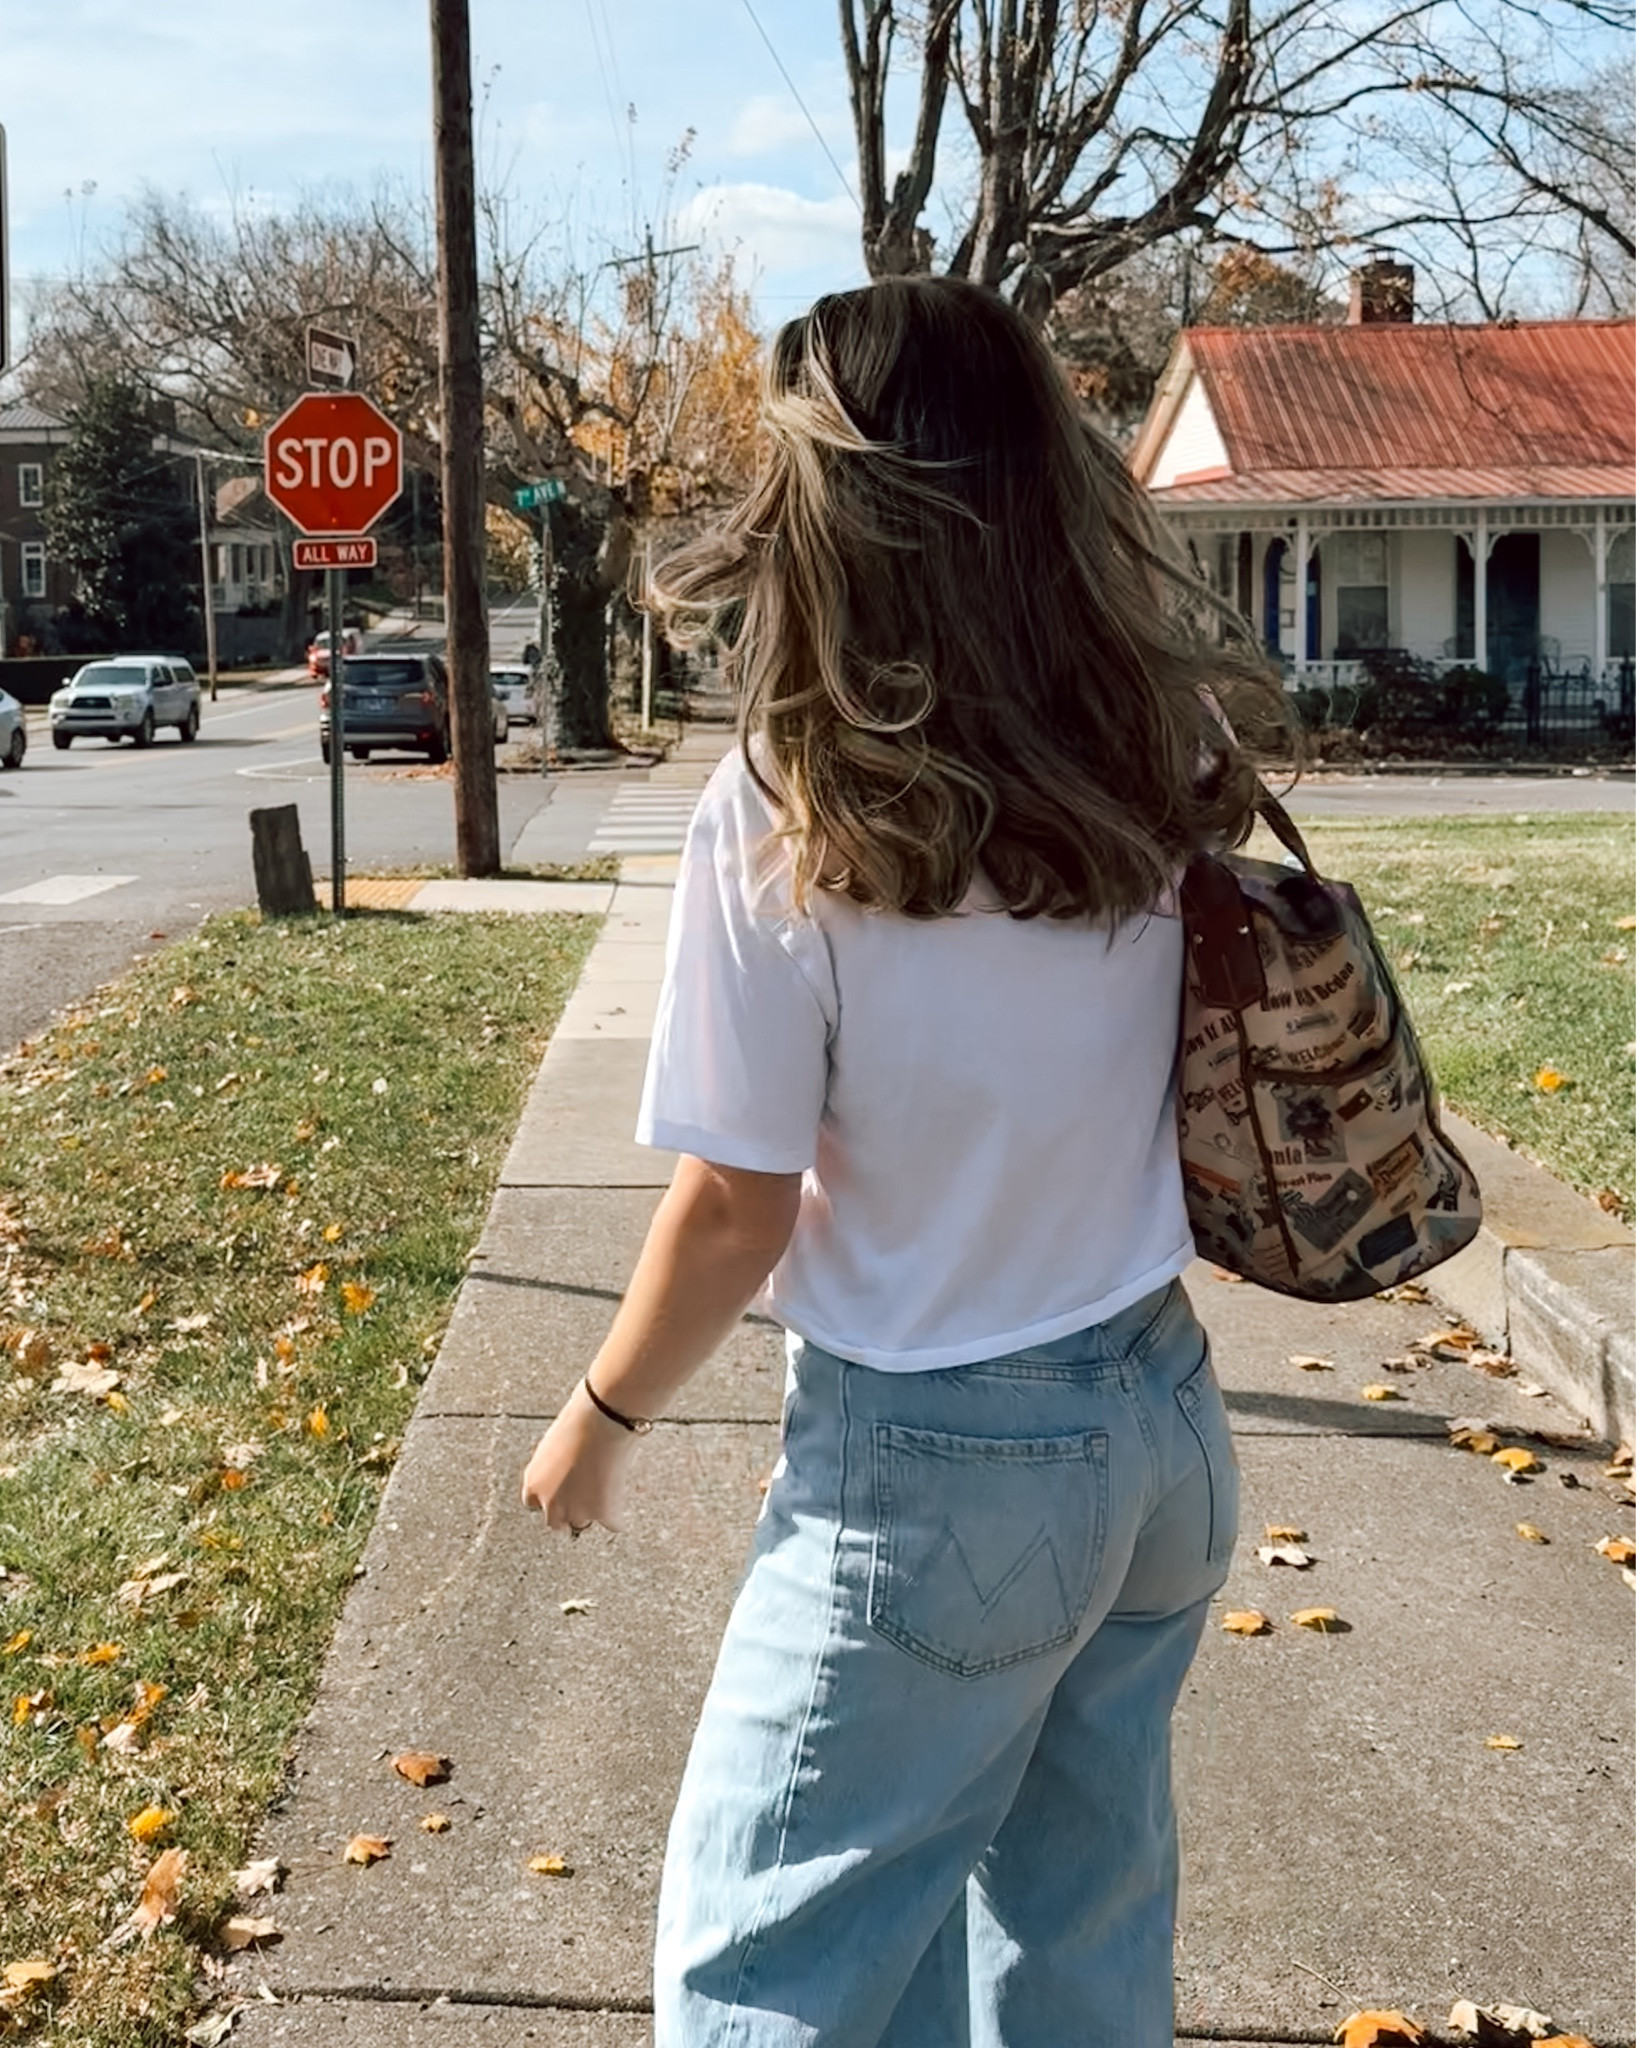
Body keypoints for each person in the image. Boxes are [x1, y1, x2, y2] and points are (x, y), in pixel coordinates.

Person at [521, 275, 1283, 2046]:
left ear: (829, 499)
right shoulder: (1149, 738)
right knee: (1075, 1939)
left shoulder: (797, 791)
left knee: (763, 1969)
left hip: (937, 1463)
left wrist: (603, 1414)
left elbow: (736, 1202)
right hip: (1159, 1415)